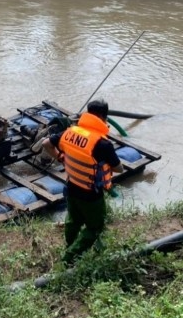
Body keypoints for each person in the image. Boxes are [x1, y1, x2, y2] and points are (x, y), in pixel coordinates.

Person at [42, 99, 123, 265]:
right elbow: (118, 168)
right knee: (95, 227)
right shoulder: (102, 144)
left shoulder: (70, 132)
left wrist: (60, 157)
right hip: (91, 194)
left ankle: (69, 245)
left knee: (73, 220)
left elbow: (46, 143)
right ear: (103, 118)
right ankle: (69, 257)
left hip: (71, 187)